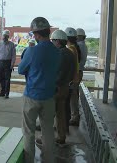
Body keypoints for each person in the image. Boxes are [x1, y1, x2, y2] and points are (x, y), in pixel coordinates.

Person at [19, 17, 60, 163]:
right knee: (48, 131)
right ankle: (48, 160)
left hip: (31, 96)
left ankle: (29, 160)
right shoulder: (57, 52)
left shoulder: (32, 51)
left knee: (29, 132)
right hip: (49, 97)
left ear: (36, 34)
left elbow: (21, 69)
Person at [51, 30, 75, 144]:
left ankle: (46, 137)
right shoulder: (70, 53)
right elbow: (73, 72)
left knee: (48, 114)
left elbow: (57, 73)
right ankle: (61, 136)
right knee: (61, 114)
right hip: (65, 87)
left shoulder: (59, 54)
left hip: (57, 88)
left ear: (58, 41)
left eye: (53, 40)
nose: (52, 43)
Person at [65, 27, 81, 127]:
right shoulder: (75, 48)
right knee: (73, 99)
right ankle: (74, 117)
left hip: (72, 79)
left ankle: (74, 118)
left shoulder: (71, 49)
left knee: (72, 100)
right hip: (75, 77)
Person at [0, 30, 16, 98]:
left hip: (8, 63)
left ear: (8, 37)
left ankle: (7, 93)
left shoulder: (11, 44)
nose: (4, 37)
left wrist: (12, 64)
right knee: (1, 78)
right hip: (1, 62)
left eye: (6, 36)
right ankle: (2, 92)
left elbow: (13, 55)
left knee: (7, 79)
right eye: (3, 36)